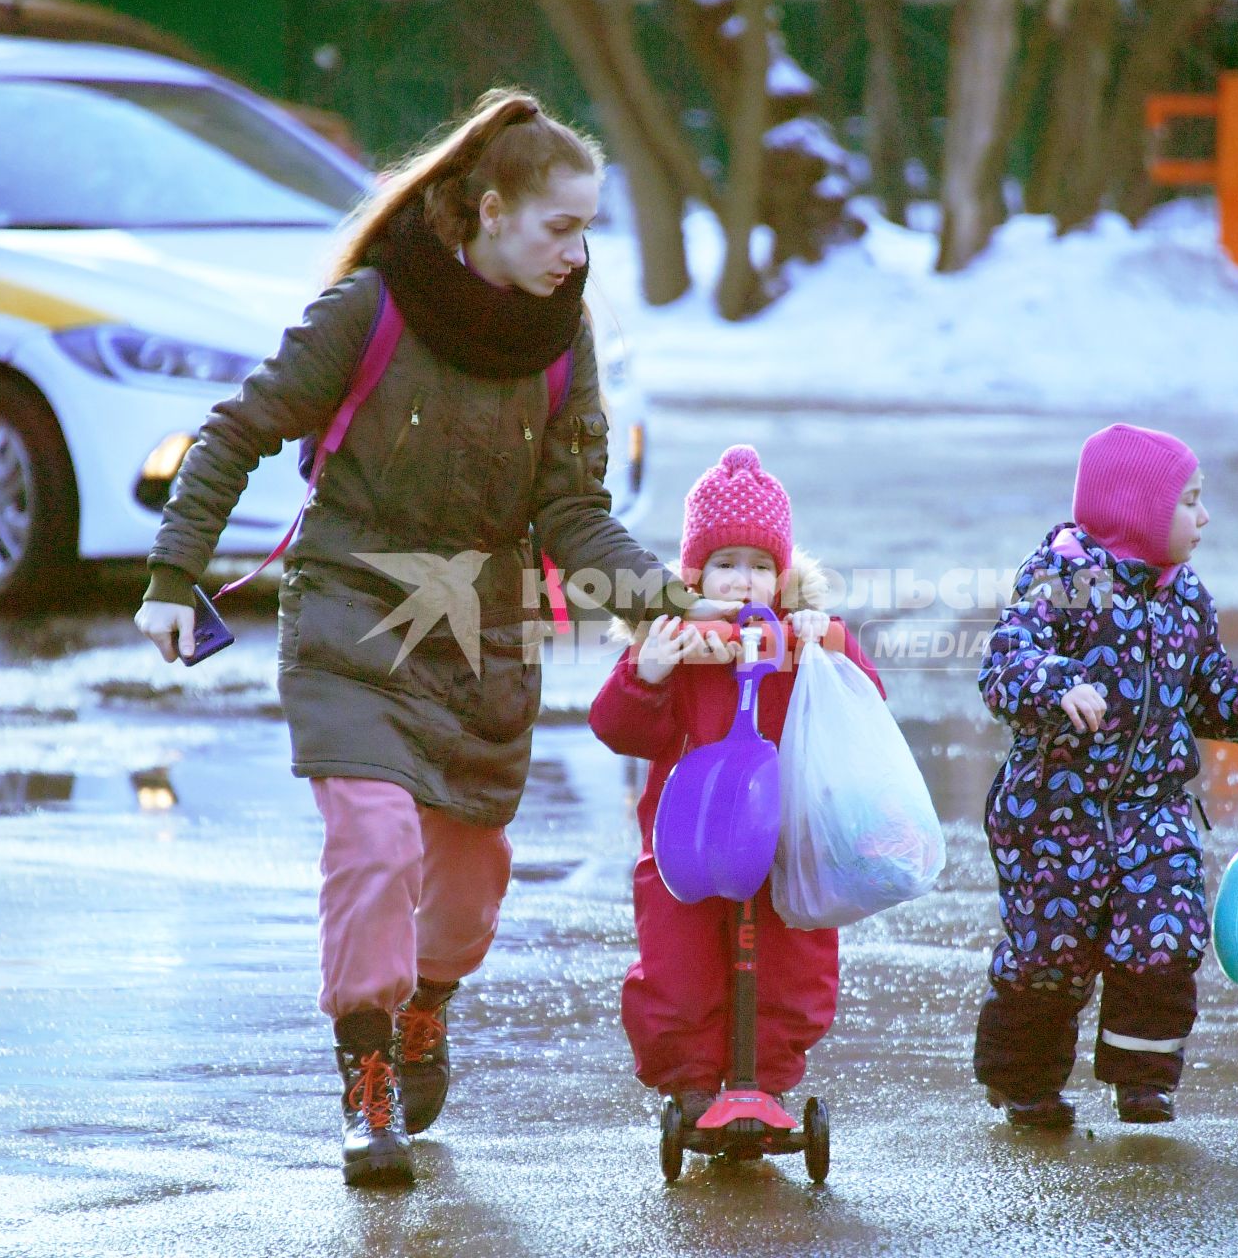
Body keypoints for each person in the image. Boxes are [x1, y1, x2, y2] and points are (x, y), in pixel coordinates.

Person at [132, 87, 730, 1186]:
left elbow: (573, 512)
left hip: (482, 640)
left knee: (464, 893)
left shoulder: (563, 339)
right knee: (374, 842)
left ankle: (426, 1006)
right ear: (491, 209)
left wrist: (666, 598)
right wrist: (177, 574)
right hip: (350, 615)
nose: (576, 249)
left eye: (588, 227)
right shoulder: (371, 309)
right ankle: (365, 1074)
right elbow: (238, 428)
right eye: (560, 225)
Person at [973, 423, 1238, 1127]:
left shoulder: (1186, 596)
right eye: (1189, 500)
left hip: (1152, 810)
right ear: (1137, 511)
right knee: (1049, 957)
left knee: (1166, 932)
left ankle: (1142, 1078)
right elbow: (1006, 659)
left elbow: (1207, 687)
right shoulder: (1065, 579)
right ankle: (1024, 1081)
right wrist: (1056, 683)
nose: (1204, 516)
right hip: (1053, 816)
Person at [587, 445, 883, 1125]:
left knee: (794, 969)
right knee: (677, 969)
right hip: (685, 842)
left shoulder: (800, 640)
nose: (742, 582)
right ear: (694, 573)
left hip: (783, 838)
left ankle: (768, 1079)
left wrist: (827, 642)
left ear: (782, 575)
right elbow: (619, 729)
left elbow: (864, 703)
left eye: (758, 566)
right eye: (725, 565)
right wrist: (648, 672)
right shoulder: (676, 644)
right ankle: (690, 1083)